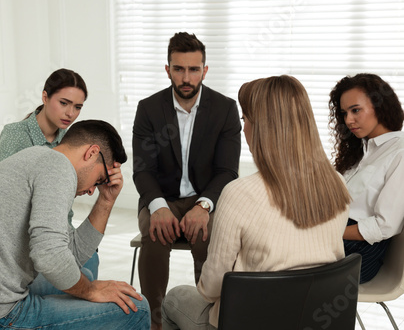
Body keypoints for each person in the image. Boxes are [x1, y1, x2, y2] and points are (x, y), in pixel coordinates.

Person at [162, 75, 352, 329]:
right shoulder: (337, 183)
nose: (243, 128)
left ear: (262, 127)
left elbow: (211, 287)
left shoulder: (239, 193)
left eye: (245, 119)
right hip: (318, 319)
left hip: (248, 321)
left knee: (174, 298)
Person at [0, 120, 151, 329]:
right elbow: (50, 257)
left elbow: (71, 256)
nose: (93, 189)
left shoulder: (37, 158)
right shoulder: (59, 169)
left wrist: (106, 200)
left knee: (85, 276)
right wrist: (90, 291)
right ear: (92, 153)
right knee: (137, 308)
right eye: (100, 179)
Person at [132, 32, 241, 329]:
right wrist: (158, 207)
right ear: (167, 69)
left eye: (194, 69)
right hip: (161, 196)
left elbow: (228, 171)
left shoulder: (225, 109)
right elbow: (142, 170)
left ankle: (208, 317)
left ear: (205, 70)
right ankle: (153, 321)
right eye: (178, 69)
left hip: (204, 196)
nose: (186, 77)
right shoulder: (149, 109)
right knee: (155, 236)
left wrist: (204, 206)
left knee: (209, 237)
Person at [0, 68, 99, 281]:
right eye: (64, 103)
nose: (70, 113)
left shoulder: (71, 139)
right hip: (26, 239)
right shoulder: (15, 135)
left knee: (91, 260)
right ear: (45, 97)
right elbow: (4, 198)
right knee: (84, 277)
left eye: (77, 107)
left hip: (61, 230)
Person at [329, 73, 404, 283]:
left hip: (359, 251)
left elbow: (385, 225)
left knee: (280, 253)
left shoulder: (400, 152)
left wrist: (330, 232)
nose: (348, 120)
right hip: (337, 233)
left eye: (356, 110)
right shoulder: (360, 150)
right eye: (344, 113)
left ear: (380, 106)